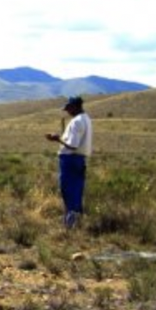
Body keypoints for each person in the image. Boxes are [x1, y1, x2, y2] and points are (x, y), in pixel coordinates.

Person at [45, 95, 93, 229]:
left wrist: (57, 139)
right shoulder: (86, 119)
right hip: (79, 160)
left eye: (69, 108)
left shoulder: (77, 121)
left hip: (70, 159)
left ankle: (70, 225)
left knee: (68, 190)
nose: (67, 111)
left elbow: (73, 145)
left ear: (76, 107)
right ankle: (78, 223)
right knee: (77, 190)